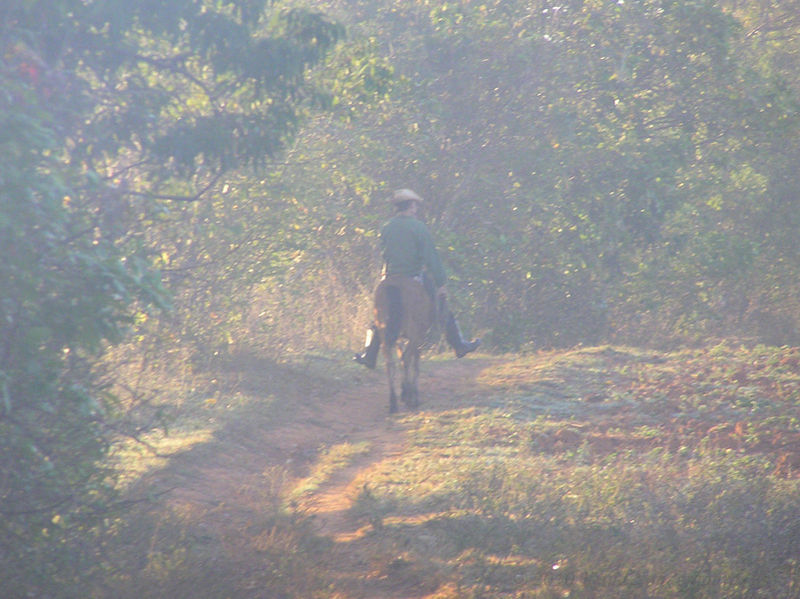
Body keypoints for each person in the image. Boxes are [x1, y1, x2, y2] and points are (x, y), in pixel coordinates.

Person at [354, 188, 480, 368]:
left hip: (390, 277)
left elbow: (384, 253)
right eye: (415, 205)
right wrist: (440, 282)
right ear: (411, 206)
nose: (416, 208)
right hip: (414, 276)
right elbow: (430, 256)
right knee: (441, 307)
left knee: (378, 317)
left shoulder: (386, 227)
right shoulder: (418, 227)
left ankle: (369, 354)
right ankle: (458, 344)